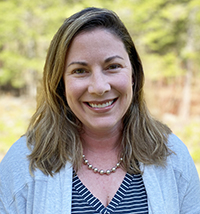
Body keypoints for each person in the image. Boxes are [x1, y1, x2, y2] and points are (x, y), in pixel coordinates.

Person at [0, 7, 200, 214]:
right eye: (80, 71)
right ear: (60, 82)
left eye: (112, 66)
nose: (99, 87)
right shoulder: (22, 165)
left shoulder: (172, 156)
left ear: (133, 74)